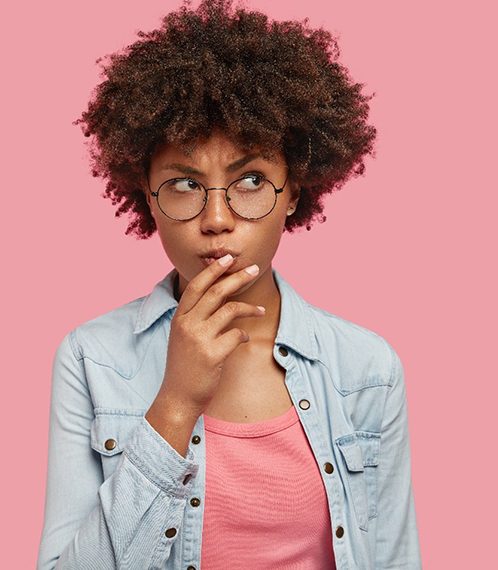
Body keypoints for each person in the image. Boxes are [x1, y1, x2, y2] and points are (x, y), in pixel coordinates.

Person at [37, 0, 421, 568]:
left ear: (294, 190)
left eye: (250, 180)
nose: (217, 218)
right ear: (147, 194)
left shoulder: (366, 371)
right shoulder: (92, 359)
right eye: (185, 184)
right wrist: (174, 404)